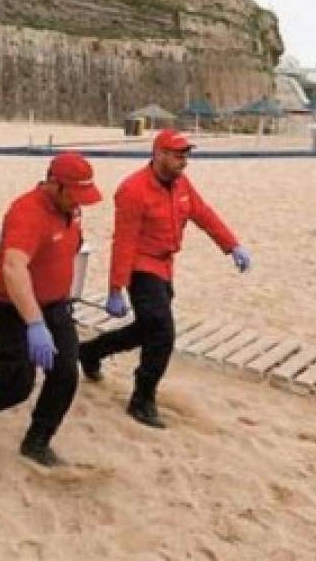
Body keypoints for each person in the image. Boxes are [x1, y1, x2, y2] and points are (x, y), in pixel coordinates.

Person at [78, 129, 252, 428]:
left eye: (186, 155)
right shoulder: (133, 190)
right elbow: (124, 241)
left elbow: (204, 215)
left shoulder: (182, 184)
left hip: (165, 266)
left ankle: (90, 351)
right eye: (177, 155)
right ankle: (142, 398)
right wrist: (115, 289)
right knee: (162, 335)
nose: (183, 161)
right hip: (141, 268)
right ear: (158, 154)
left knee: (147, 329)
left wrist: (232, 245)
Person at [0, 153, 103, 471]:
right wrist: (34, 323)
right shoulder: (27, 212)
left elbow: (69, 247)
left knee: (65, 375)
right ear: (55, 184)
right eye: (76, 195)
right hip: (14, 309)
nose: (80, 204)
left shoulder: (71, 210)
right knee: (16, 387)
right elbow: (13, 267)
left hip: (57, 306)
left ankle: (37, 442)